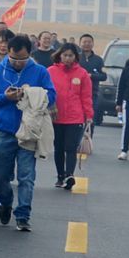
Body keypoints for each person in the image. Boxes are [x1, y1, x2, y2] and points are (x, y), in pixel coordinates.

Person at [0, 34, 58, 232]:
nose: (17, 63)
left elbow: (51, 95)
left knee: (26, 176)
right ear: (8, 52)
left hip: (29, 132)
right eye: (13, 59)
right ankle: (5, 201)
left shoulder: (39, 71)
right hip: (4, 131)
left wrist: (31, 94)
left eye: (22, 60)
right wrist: (5, 97)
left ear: (29, 55)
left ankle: (23, 214)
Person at [49, 43, 93, 190]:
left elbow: (86, 96)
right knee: (59, 147)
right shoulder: (50, 71)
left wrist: (89, 115)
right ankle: (60, 176)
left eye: (71, 55)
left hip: (75, 117)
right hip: (56, 116)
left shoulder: (82, 73)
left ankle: (69, 175)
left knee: (71, 147)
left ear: (75, 57)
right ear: (60, 55)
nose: (68, 58)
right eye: (65, 55)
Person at [76, 33, 107, 128]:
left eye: (89, 42)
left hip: (92, 94)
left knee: (90, 119)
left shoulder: (98, 60)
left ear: (93, 44)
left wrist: (91, 76)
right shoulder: (75, 58)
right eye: (84, 42)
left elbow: (104, 76)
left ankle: (88, 139)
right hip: (76, 93)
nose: (87, 44)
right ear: (80, 43)